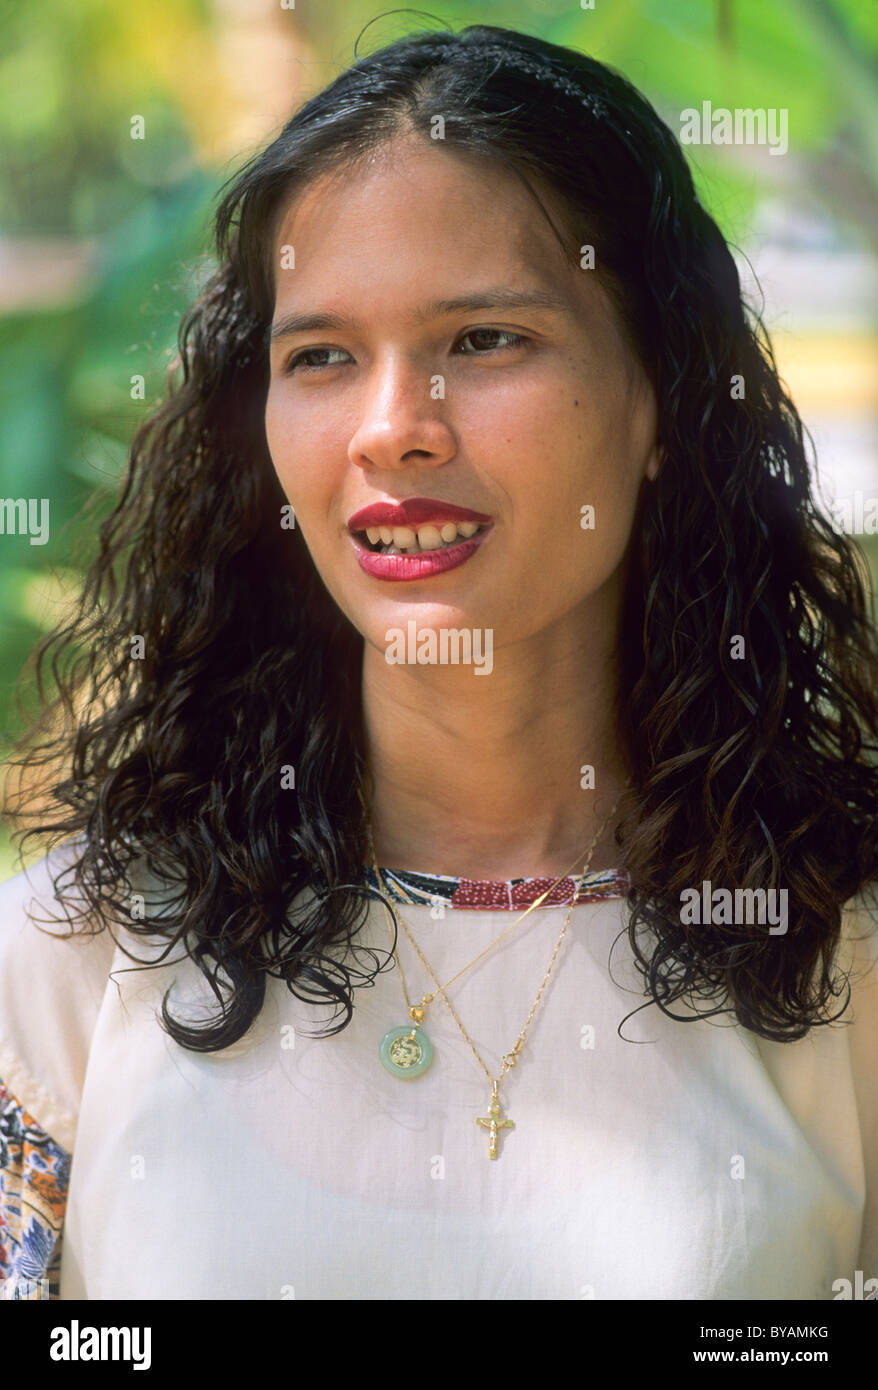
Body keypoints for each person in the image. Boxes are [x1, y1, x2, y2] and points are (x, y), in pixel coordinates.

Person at [1, 21, 876, 1302]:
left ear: (658, 402)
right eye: (320, 357)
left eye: (483, 340)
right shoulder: (68, 960)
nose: (390, 429)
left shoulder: (838, 947)